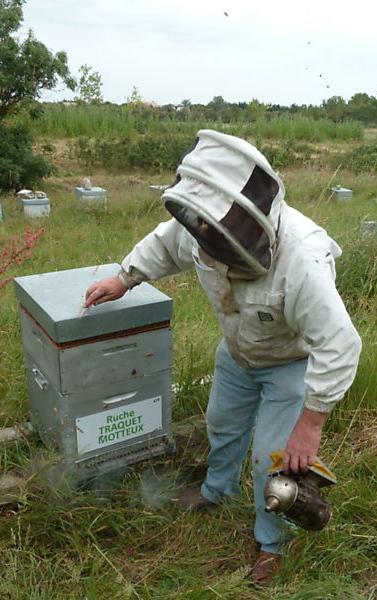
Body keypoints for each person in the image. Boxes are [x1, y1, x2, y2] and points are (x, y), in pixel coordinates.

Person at [83, 130, 361, 586]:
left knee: (273, 465)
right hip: (237, 354)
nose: (208, 241)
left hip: (290, 365)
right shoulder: (204, 223)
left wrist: (310, 426)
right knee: (221, 423)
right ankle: (215, 490)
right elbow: (165, 243)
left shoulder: (302, 260)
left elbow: (340, 344)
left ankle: (271, 544)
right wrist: (125, 278)